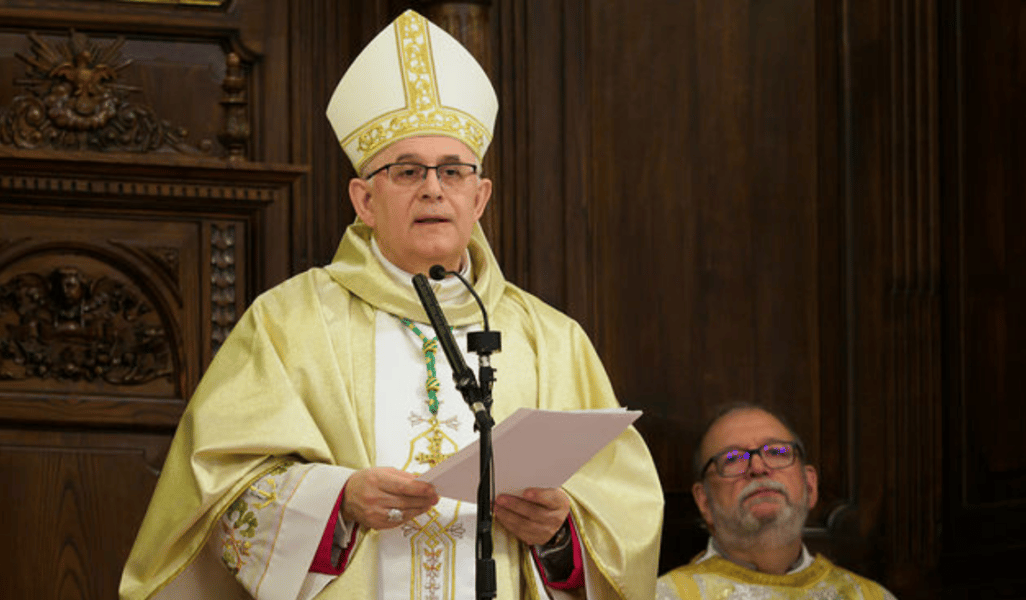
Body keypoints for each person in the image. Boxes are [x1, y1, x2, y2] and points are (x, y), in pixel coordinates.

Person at [119, 9, 663, 600]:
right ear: (365, 199)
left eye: (453, 171)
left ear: (479, 198)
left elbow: (624, 516)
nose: (433, 187)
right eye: (407, 170)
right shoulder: (288, 322)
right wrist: (339, 503)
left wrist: (558, 537)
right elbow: (217, 494)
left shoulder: (551, 339)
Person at [656, 403, 897, 599]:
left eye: (777, 452)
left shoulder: (869, 596)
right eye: (732, 458)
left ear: (810, 486)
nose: (758, 468)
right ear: (704, 502)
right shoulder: (664, 595)